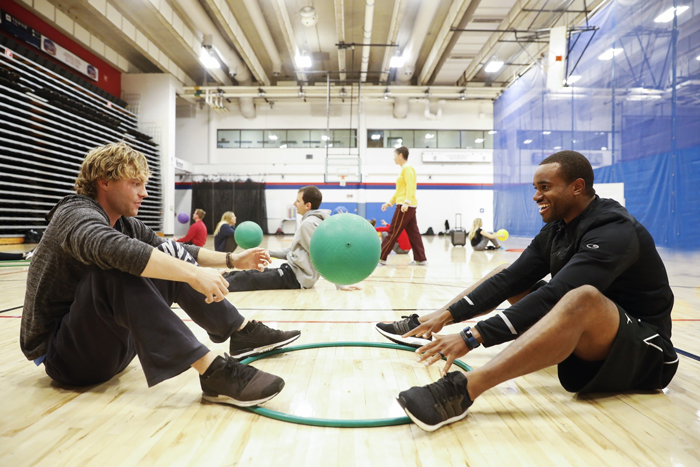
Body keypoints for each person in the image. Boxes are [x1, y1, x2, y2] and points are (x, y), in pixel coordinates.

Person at [375, 150, 678, 432]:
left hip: (647, 353)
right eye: (535, 187)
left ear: (577, 187)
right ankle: (430, 322)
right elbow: (509, 281)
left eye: (545, 187)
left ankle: (463, 390)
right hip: (595, 339)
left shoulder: (613, 228)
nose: (536, 196)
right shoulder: (558, 227)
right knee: (505, 274)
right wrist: (448, 317)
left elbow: (558, 294)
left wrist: (472, 337)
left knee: (581, 298)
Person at [21, 142, 301, 409]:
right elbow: (109, 247)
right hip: (68, 358)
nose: (144, 193)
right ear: (104, 181)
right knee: (117, 268)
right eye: (135, 184)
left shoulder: (126, 224)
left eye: (144, 184)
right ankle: (213, 372)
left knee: (168, 254)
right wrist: (193, 274)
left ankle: (241, 332)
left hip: (112, 350)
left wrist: (232, 260)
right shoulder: (74, 212)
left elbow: (176, 249)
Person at [223, 186, 360, 292]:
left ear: (308, 205)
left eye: (298, 201)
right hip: (291, 272)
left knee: (249, 278)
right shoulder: (314, 222)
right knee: (250, 273)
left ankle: (215, 286)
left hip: (294, 278)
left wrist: (339, 284)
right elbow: (295, 250)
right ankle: (220, 278)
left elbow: (323, 257)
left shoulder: (308, 224)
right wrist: (269, 252)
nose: (294, 203)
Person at [379, 146, 427, 266]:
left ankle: (381, 257)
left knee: (393, 231)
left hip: (405, 206)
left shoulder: (407, 168)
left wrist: (406, 202)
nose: (394, 158)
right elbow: (400, 191)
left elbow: (411, 186)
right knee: (413, 233)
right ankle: (421, 259)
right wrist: (389, 202)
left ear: (401, 156)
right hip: (406, 205)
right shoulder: (404, 169)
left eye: (395, 155)